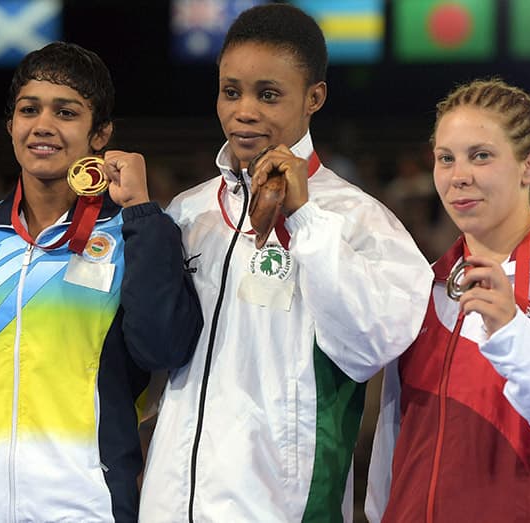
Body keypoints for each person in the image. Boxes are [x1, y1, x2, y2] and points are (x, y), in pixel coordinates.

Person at [138, 5, 433, 522]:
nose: (243, 111)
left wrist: (305, 220)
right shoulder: (188, 212)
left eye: (267, 94)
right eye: (231, 91)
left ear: (314, 97)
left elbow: (371, 345)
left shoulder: (361, 221)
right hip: (170, 504)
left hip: (283, 509)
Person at [0, 42, 202, 522]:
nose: (43, 125)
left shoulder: (134, 233)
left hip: (87, 503)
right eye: (29, 110)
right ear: (10, 125)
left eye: (65, 112)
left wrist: (141, 211)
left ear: (100, 133)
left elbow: (164, 349)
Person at [365, 79, 530, 522]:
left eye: (481, 156)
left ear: (529, 166)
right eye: (445, 158)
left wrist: (512, 333)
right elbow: (393, 445)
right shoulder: (426, 286)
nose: (459, 175)